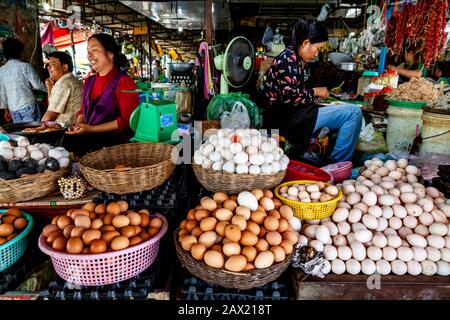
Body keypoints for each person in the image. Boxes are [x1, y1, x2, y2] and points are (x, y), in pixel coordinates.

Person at [264, 17, 362, 163]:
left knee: (346, 113)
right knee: (353, 113)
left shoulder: (294, 57)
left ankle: (330, 158)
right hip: (287, 121)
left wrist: (314, 95)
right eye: (317, 49)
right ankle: (338, 164)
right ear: (305, 43)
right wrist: (315, 91)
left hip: (293, 116)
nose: (317, 54)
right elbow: (290, 97)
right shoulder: (287, 61)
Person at [64, 33, 139, 155]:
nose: (89, 55)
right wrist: (79, 126)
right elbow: (82, 111)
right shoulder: (89, 81)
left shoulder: (125, 82)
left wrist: (91, 129)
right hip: (89, 139)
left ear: (110, 54)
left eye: (94, 50)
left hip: (114, 144)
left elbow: (125, 122)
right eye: (88, 50)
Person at [0, 38, 46, 123]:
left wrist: (5, 110)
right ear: (20, 52)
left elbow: (2, 92)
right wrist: (50, 89)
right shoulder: (25, 66)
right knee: (33, 131)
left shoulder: (1, 70)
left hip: (13, 108)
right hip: (28, 105)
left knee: (21, 133)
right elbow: (37, 85)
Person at [42, 51, 82, 126]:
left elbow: (49, 117)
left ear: (64, 67)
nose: (48, 67)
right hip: (71, 127)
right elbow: (52, 107)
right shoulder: (69, 80)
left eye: (53, 64)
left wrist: (36, 129)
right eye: (48, 64)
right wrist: (50, 89)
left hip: (66, 130)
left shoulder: (64, 83)